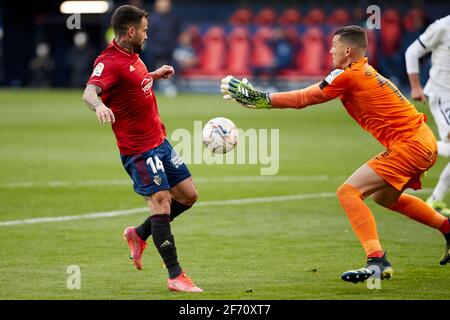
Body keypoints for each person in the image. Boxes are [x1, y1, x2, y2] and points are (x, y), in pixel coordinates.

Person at [221, 25, 450, 283]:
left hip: (411, 145)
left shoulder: (349, 75)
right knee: (385, 199)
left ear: (348, 50)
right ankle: (448, 229)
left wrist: (262, 99)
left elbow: (304, 98)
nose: (330, 50)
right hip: (424, 141)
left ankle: (376, 260)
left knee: (348, 192)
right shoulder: (363, 71)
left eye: (334, 46)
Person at [82, 5, 202, 293]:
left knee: (188, 196)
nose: (148, 36)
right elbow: (89, 90)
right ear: (131, 31)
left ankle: (139, 234)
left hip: (159, 141)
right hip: (139, 150)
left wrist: (153, 75)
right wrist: (99, 106)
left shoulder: (133, 56)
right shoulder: (108, 60)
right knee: (161, 201)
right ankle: (175, 275)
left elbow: (131, 81)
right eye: (145, 31)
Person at [405, 15, 450, 216]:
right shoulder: (442, 26)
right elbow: (412, 51)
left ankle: (435, 200)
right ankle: (411, 145)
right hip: (443, 97)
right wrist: (415, 86)